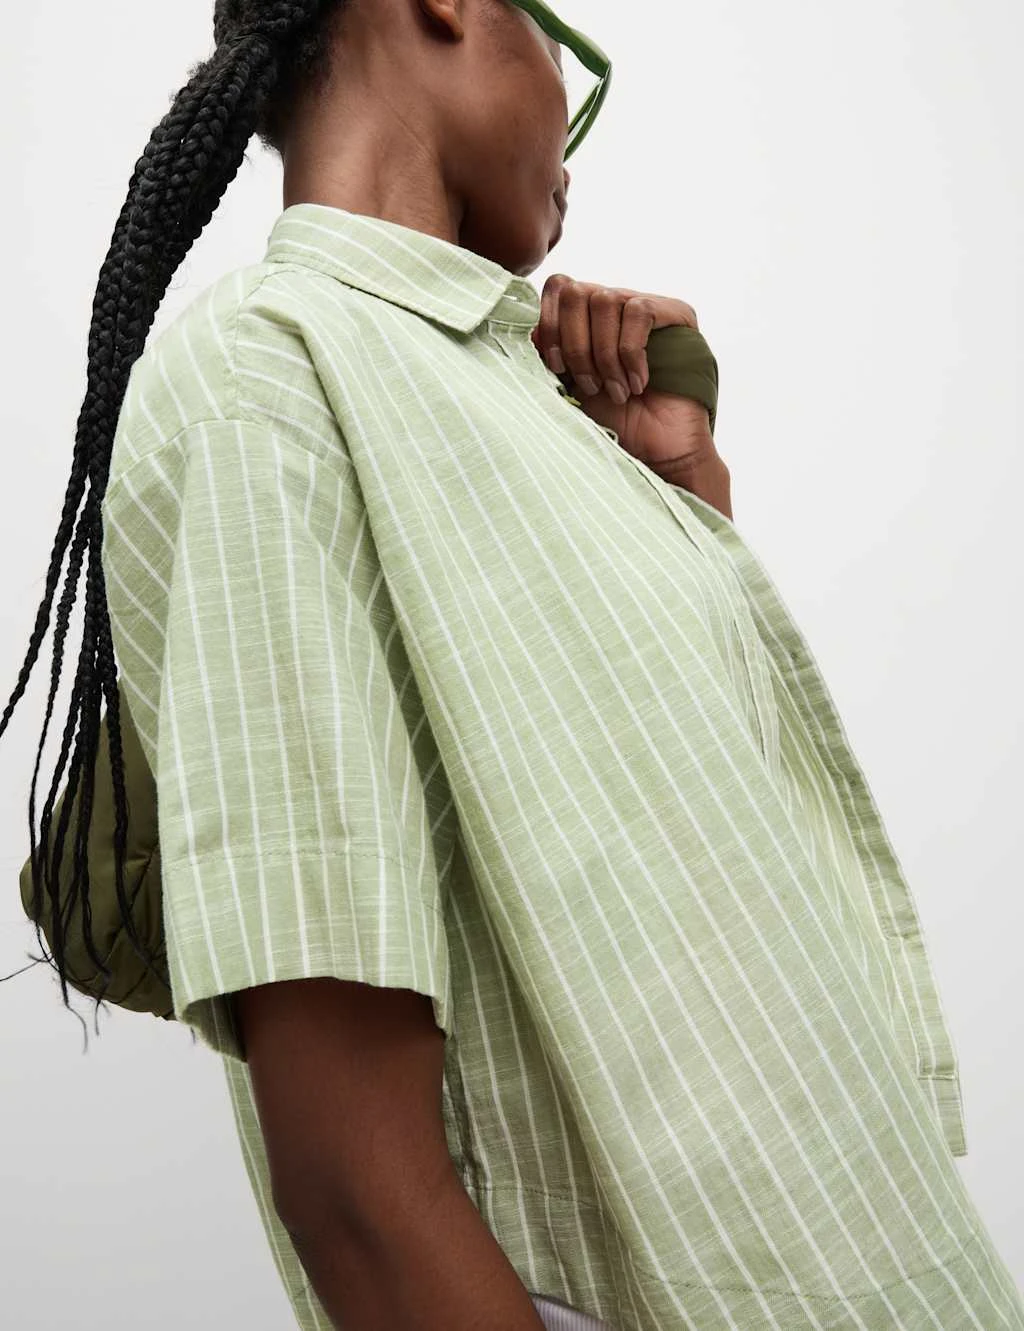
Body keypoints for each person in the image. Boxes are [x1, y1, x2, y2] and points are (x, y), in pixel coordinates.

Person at [8, 0, 1024, 1328]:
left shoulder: (525, 405)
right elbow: (356, 1187)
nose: (571, 149)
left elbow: (716, 875)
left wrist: (678, 490)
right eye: (562, 55)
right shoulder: (269, 375)